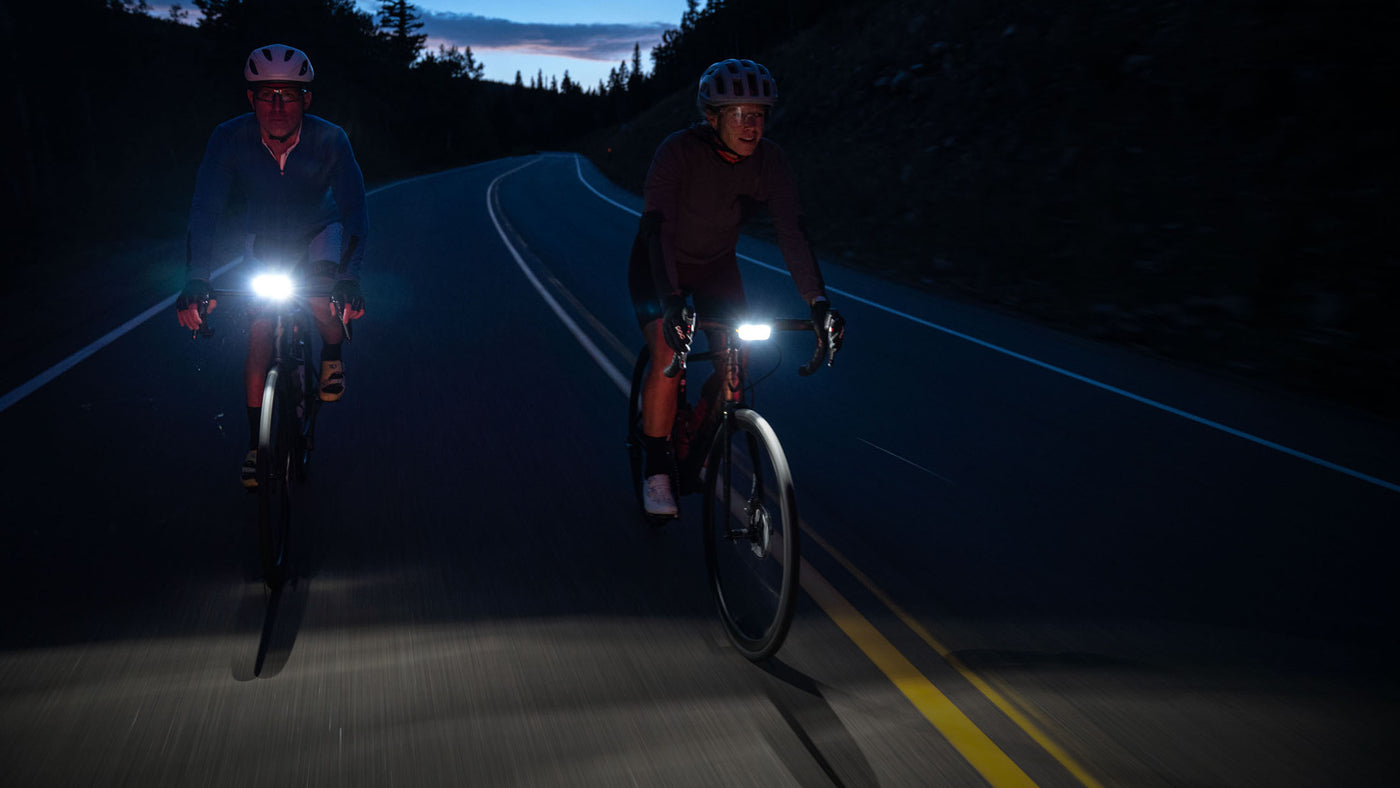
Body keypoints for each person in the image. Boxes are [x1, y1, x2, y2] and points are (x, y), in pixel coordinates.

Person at [628, 58, 844, 517]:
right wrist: (670, 303)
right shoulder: (677, 152)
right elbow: (658, 231)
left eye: (759, 115)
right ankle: (657, 466)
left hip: (715, 268)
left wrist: (818, 302)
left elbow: (792, 231)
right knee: (668, 355)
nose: (752, 126)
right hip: (658, 265)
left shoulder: (771, 162)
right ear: (713, 116)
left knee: (738, 361)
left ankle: (695, 434)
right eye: (740, 115)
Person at [175, 44, 368, 488]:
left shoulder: (331, 139)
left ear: (307, 100)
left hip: (319, 231)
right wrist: (196, 278)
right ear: (250, 99)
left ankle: (332, 355)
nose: (278, 106)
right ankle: (254, 447)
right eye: (267, 94)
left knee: (323, 302)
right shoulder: (229, 138)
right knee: (259, 334)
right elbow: (205, 208)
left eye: (289, 93)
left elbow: (355, 208)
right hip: (263, 239)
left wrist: (348, 278)